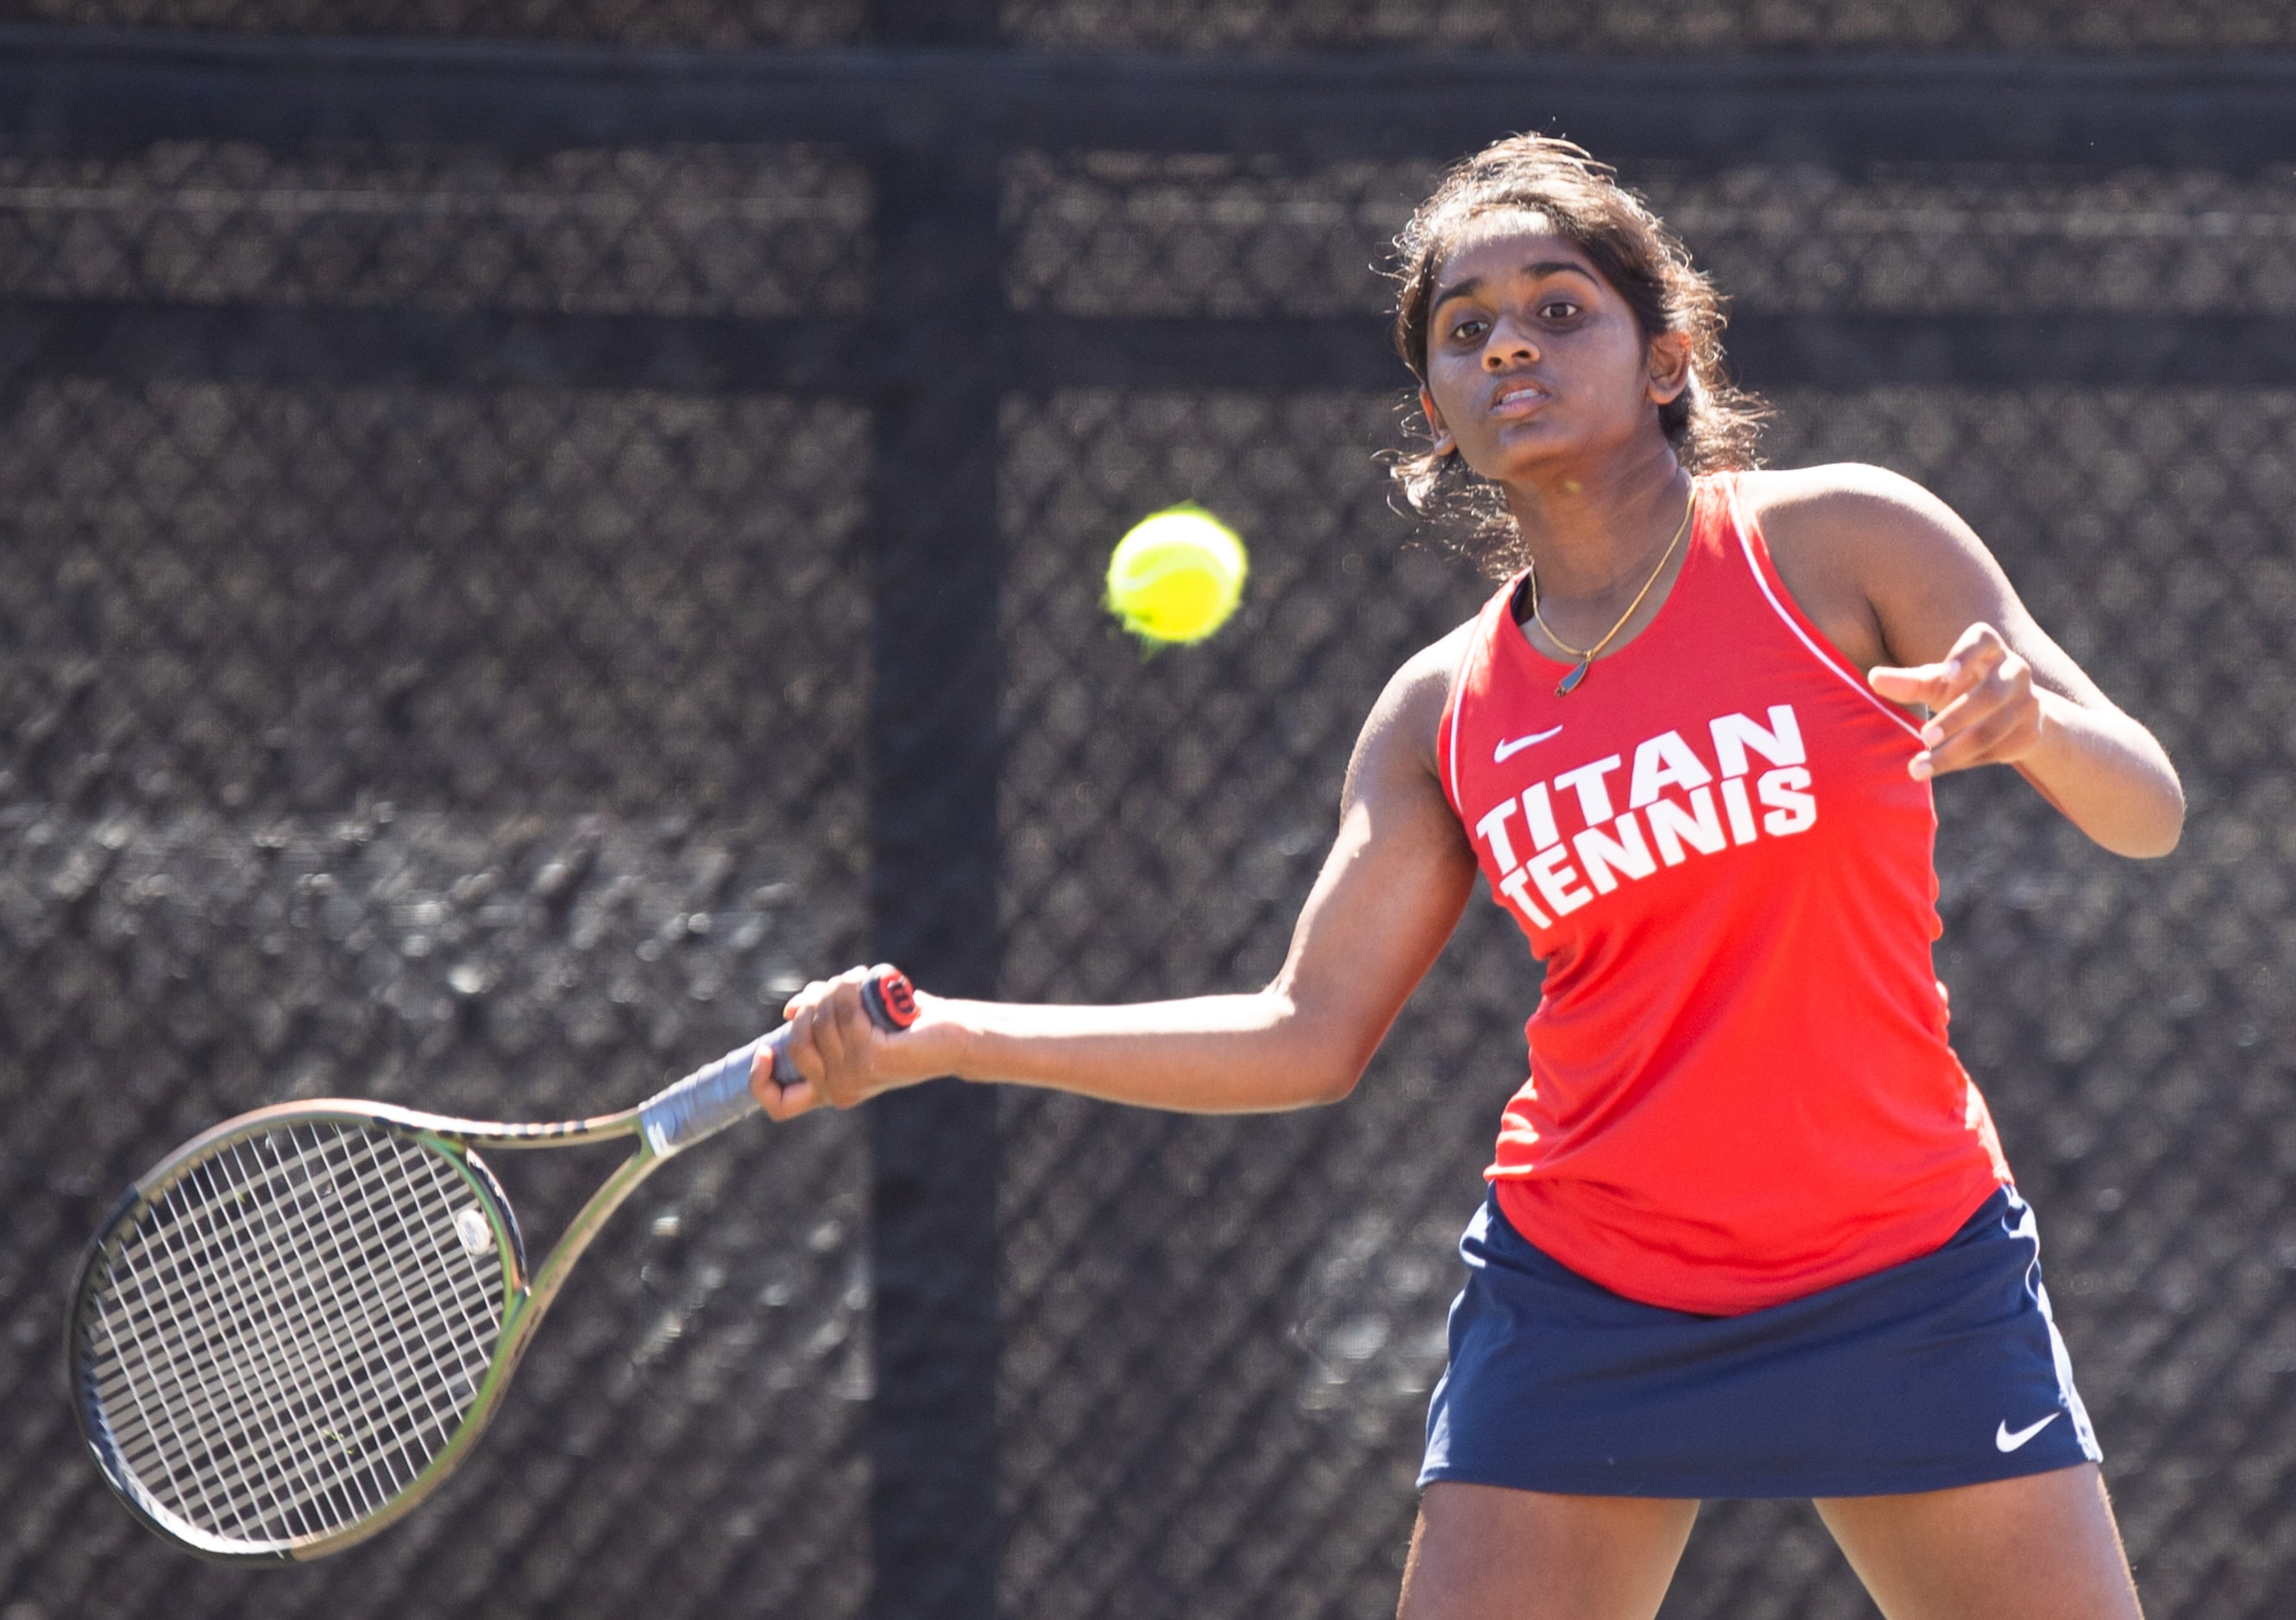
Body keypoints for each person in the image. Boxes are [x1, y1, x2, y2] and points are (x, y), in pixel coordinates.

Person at [754, 135, 2183, 1619]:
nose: (1509, 337)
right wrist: (956, 1037)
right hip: (1587, 1293)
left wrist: (2034, 727)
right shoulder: (1442, 709)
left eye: (1560, 308)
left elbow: (2145, 805)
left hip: (1905, 1263)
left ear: (1665, 354)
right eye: (1464, 326)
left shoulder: (1839, 541)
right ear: (1435, 406)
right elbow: (1302, 1034)